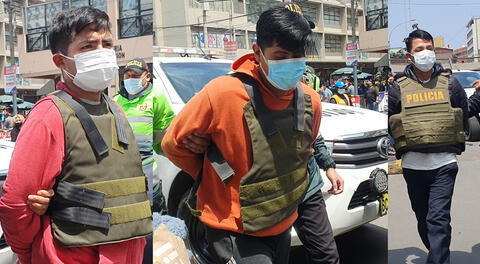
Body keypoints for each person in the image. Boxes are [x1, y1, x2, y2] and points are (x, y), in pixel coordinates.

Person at [161, 3, 323, 263]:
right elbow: (173, 145)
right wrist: (213, 171)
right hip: (233, 229)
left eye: (297, 56)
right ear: (258, 53)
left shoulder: (311, 100)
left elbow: (307, 149)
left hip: (282, 221)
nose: (291, 64)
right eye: (280, 56)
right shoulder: (222, 93)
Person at [0, 7, 152, 264]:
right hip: (73, 254)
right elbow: (16, 203)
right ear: (60, 61)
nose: (102, 53)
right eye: (87, 47)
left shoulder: (115, 108)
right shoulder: (49, 114)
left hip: (128, 250)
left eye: (107, 44)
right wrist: (29, 255)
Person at [388, 29, 469, 264]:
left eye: (429, 48)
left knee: (438, 220)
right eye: (419, 49)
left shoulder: (451, 84)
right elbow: (391, 124)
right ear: (409, 56)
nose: (426, 53)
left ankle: (438, 258)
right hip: (413, 167)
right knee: (424, 220)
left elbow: (463, 115)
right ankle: (437, 251)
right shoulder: (397, 89)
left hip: (444, 164)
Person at [113, 58, 175, 213]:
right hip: (121, 172)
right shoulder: (115, 101)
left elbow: (165, 133)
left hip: (147, 171)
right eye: (127, 76)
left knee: (153, 217)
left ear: (147, 77)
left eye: (135, 75)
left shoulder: (156, 97)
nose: (130, 79)